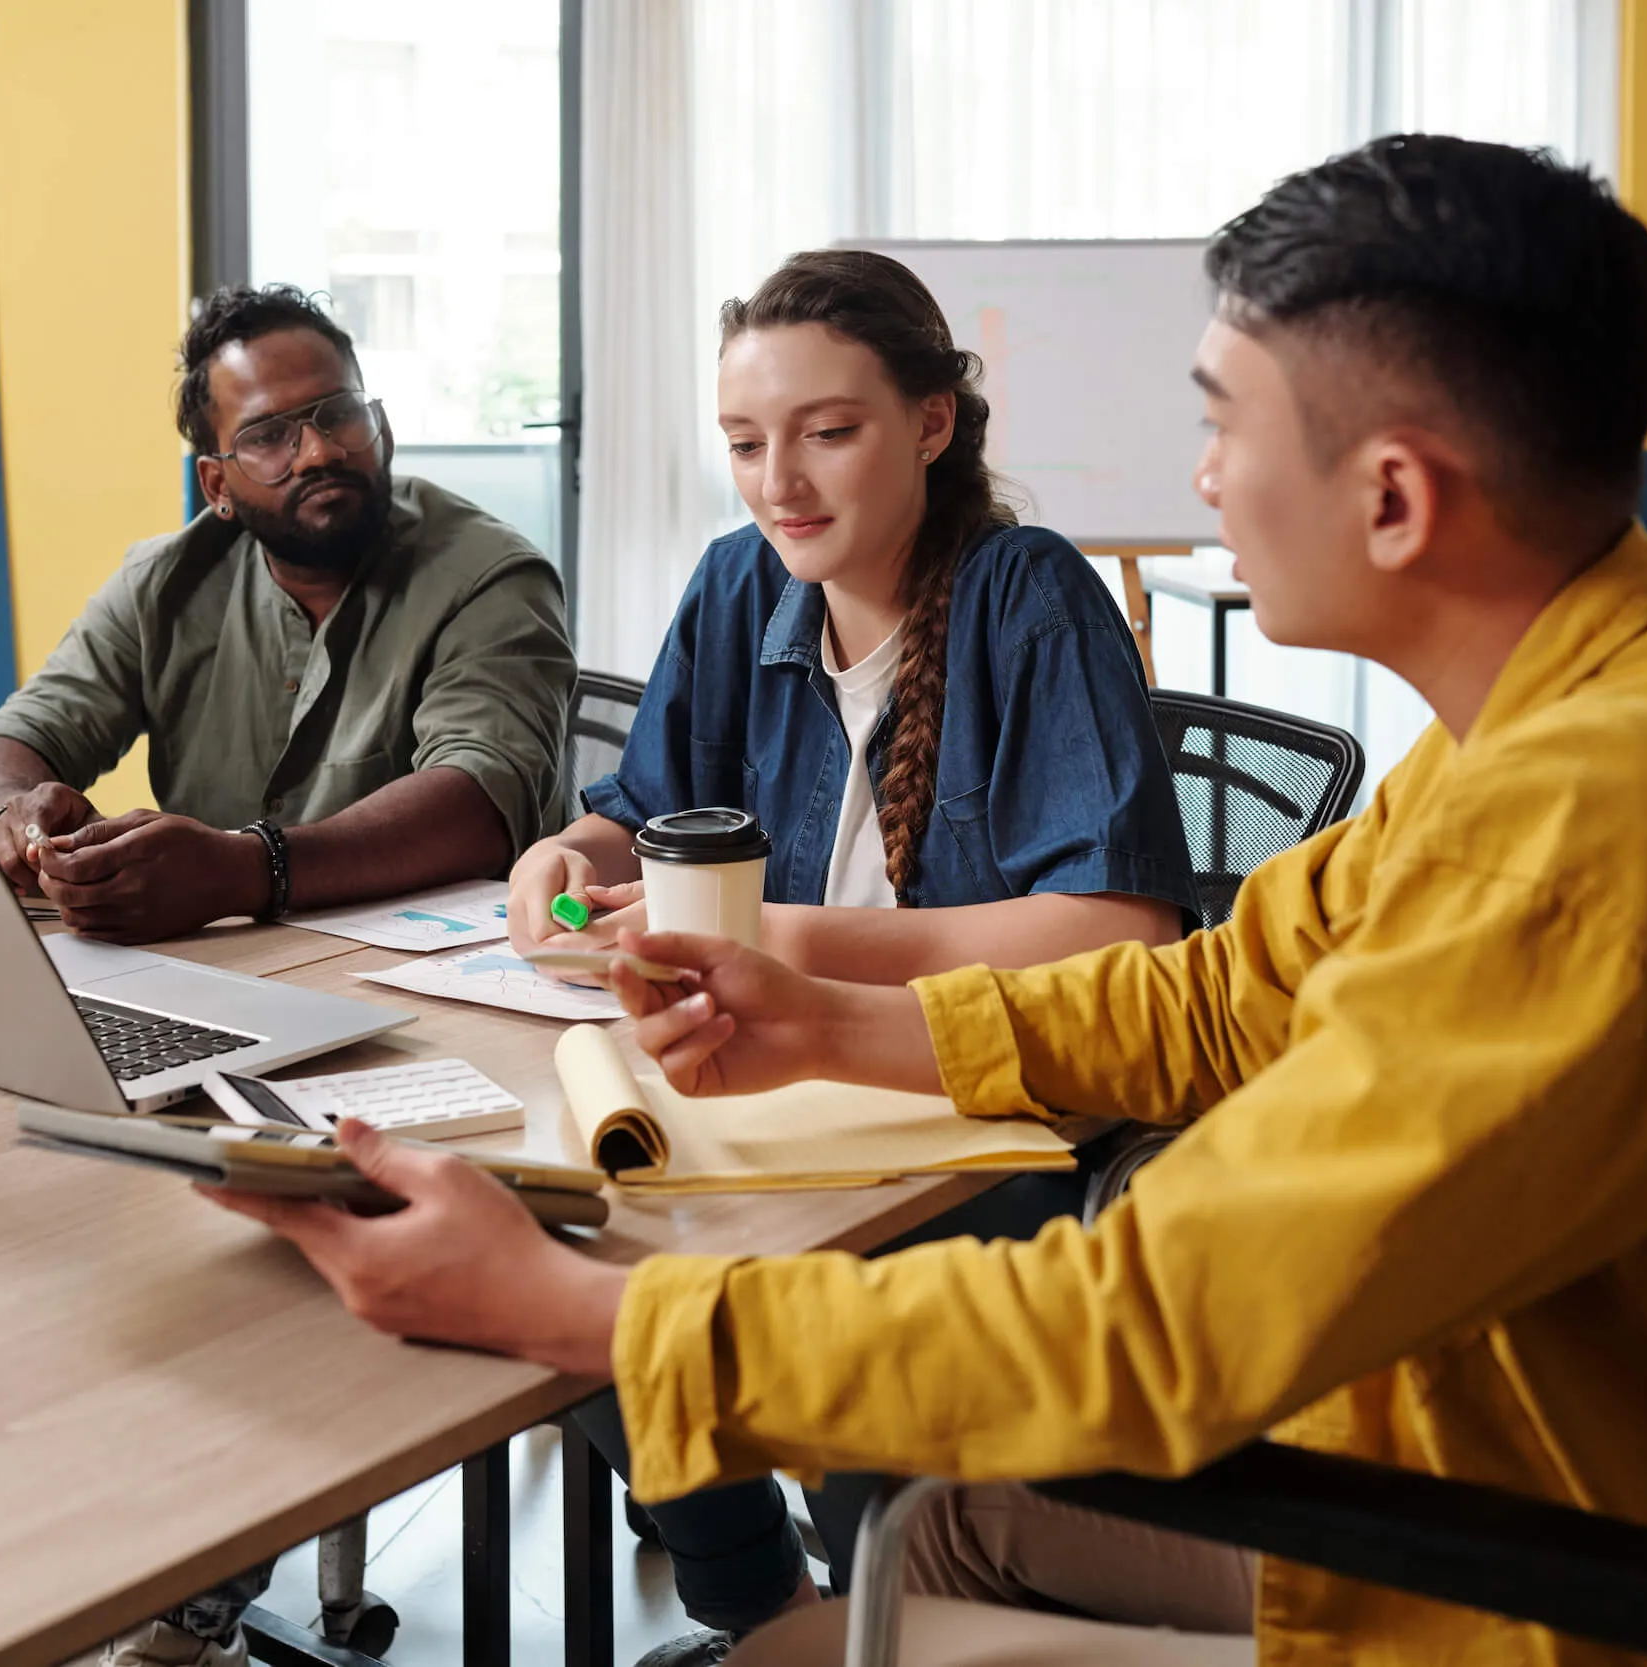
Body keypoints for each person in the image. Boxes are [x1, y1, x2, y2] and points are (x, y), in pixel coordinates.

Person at [208, 135, 1647, 1665]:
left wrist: (589, 1319)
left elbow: (1151, 1332)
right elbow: (1223, 994)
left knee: (919, 1526)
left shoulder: (1590, 829)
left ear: (1401, 498)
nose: (1197, 478)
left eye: (1220, 422)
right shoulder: (1606, 683)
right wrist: (838, 1016)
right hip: (1617, 1453)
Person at [512, 248, 1204, 1661]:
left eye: (829, 432)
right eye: (748, 442)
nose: (783, 481)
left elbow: (1118, 931)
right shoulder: (734, 586)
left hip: (994, 1131)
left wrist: (786, 942)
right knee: (545, 1237)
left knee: (671, 1284)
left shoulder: (1028, 595)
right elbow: (630, 817)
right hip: (775, 1101)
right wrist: (562, 871)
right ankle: (766, 1604)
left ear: (932, 422)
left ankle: (867, 1599)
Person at [0, 284, 576, 945]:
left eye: (340, 414)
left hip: (464, 972)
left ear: (382, 428)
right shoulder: (162, 584)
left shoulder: (489, 575)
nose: (319, 451)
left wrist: (246, 868)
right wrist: (18, 827)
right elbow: (4, 746)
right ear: (218, 485)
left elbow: (478, 804)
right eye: (269, 435)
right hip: (231, 962)